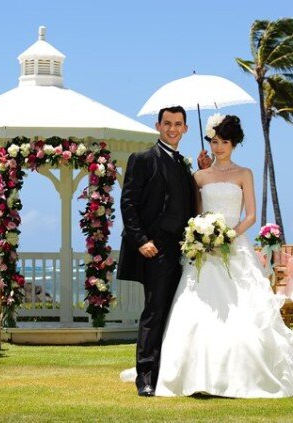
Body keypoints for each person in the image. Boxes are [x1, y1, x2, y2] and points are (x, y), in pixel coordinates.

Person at [153, 114, 293, 397]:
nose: (219, 147)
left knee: (243, 310)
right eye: (214, 141)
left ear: (234, 144)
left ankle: (244, 375)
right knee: (196, 310)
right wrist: (203, 235)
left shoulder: (244, 173)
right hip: (204, 252)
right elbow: (196, 213)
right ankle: (193, 376)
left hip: (234, 246)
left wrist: (229, 235)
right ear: (208, 143)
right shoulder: (199, 176)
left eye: (224, 142)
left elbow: (251, 214)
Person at [117, 105, 211, 397]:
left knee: (177, 313)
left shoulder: (183, 164)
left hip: (183, 250)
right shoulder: (142, 159)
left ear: (185, 128)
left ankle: (171, 374)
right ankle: (145, 377)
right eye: (167, 123)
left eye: (178, 124)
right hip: (153, 249)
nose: (172, 128)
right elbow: (128, 203)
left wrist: (202, 171)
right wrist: (141, 239)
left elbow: (190, 200)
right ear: (158, 125)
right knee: (155, 312)